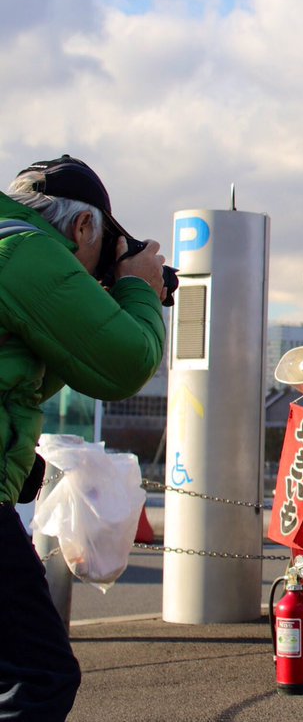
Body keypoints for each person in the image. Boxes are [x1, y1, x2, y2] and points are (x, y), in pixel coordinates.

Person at [0, 155, 166, 720]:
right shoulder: (28, 251)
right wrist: (137, 291)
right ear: (84, 227)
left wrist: (100, 297)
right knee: (37, 676)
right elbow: (122, 365)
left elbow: (41, 373)